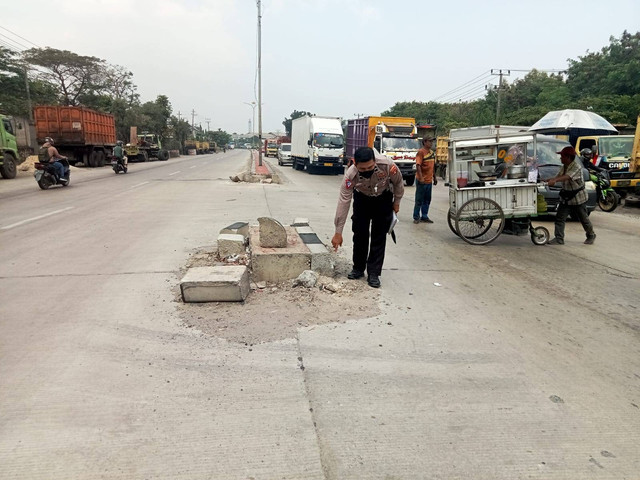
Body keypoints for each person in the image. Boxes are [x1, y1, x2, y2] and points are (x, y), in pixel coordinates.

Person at [331, 147, 404, 288]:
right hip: (362, 200)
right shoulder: (350, 175)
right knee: (360, 234)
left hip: (383, 199)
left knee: (379, 236)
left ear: (375, 161)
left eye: (370, 167)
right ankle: (358, 268)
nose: (367, 170)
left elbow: (398, 183)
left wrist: (397, 202)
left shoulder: (387, 165)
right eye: (363, 169)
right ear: (355, 163)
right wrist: (338, 232)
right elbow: (343, 202)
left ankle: (374, 273)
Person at [547, 146, 596, 245]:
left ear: (568, 157)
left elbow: (567, 177)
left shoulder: (576, 167)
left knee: (583, 218)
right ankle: (559, 238)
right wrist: (548, 180)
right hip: (566, 197)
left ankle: (591, 235)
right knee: (560, 218)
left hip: (578, 197)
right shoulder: (564, 167)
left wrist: (555, 180)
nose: (560, 158)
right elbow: (558, 177)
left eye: (562, 156)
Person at [413, 136, 437, 224]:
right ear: (425, 142)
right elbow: (418, 165)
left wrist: (434, 177)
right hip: (421, 181)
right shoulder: (421, 152)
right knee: (419, 199)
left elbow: (433, 166)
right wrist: (421, 178)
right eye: (429, 141)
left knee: (427, 199)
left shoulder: (431, 153)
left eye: (432, 141)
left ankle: (424, 216)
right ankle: (416, 216)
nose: (431, 143)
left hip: (429, 181)